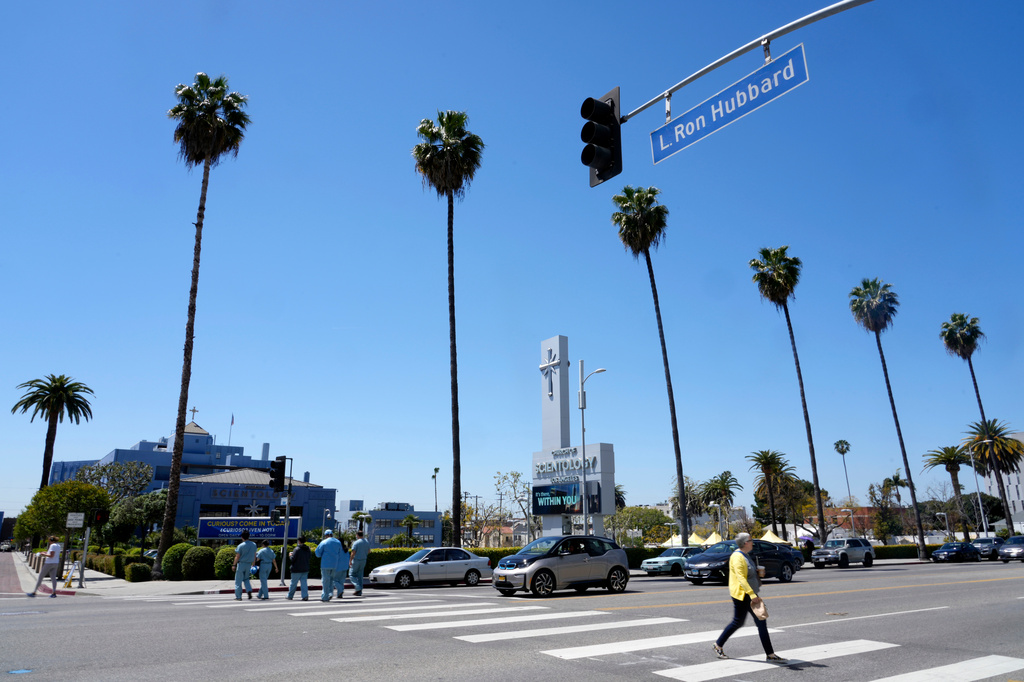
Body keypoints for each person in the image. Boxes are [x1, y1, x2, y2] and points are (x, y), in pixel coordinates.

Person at [713, 532, 786, 663]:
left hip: (748, 593)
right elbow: (741, 578)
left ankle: (718, 645)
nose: (753, 542)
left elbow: (746, 573)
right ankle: (770, 654)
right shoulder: (737, 557)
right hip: (744, 594)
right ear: (745, 542)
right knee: (756, 621)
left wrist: (757, 573)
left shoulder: (744, 555)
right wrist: (752, 595)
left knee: (742, 622)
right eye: (751, 540)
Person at [315, 529, 344, 602]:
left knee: (325, 581)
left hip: (325, 564)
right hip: (334, 564)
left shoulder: (324, 542)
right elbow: (340, 552)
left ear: (326, 535)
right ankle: (330, 593)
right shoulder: (338, 542)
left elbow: (317, 553)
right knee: (331, 580)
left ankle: (325, 596)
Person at [232, 530, 257, 601]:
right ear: (249, 536)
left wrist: (234, 565)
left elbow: (237, 556)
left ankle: (238, 596)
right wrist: (253, 564)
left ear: (242, 537)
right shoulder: (254, 544)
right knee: (246, 579)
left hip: (241, 564)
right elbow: (254, 555)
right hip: (249, 564)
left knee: (238, 581)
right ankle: (249, 590)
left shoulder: (241, 545)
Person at [349, 530, 370, 597]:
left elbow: (353, 553)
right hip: (363, 560)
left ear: (357, 535)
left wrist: (350, 560)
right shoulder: (366, 542)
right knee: (360, 576)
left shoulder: (356, 543)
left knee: (351, 574)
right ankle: (359, 592)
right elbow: (369, 551)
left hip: (356, 560)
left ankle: (358, 587)